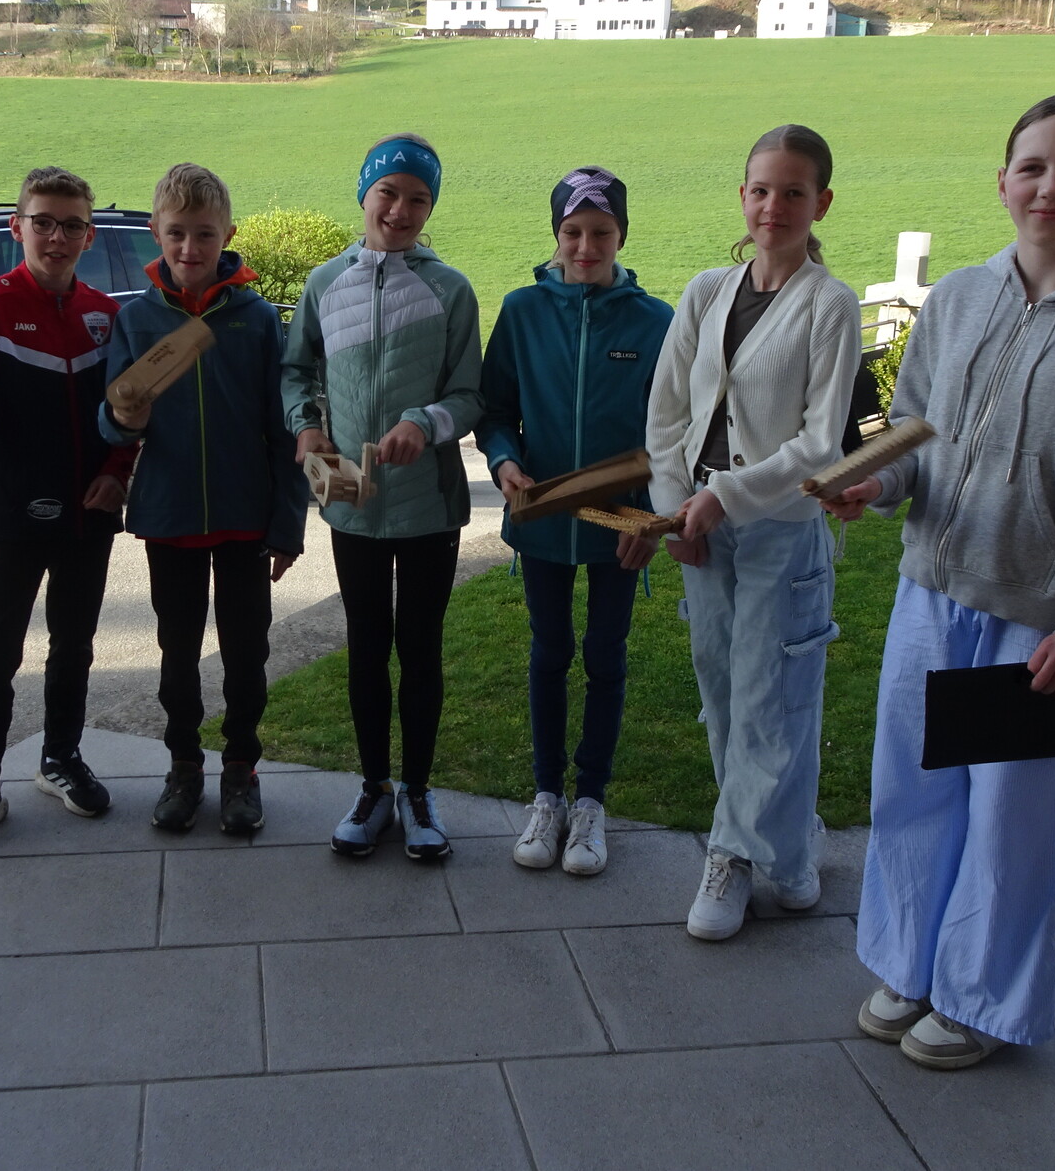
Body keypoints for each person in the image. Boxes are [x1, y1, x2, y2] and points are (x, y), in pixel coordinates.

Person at [827, 91, 1055, 1068]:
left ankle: (979, 996)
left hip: (1040, 623)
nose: (1050, 187)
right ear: (1002, 181)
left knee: (1008, 822)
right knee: (913, 796)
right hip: (930, 596)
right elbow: (915, 437)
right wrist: (874, 484)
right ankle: (909, 963)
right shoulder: (957, 299)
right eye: (1032, 167)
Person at [645, 124, 860, 941]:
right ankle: (792, 851)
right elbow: (668, 413)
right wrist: (676, 510)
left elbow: (821, 443)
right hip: (700, 528)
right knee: (723, 693)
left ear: (821, 203)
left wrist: (726, 498)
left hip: (779, 530)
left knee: (775, 699)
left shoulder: (829, 304)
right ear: (742, 195)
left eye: (793, 192)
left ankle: (731, 855)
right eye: (762, 190)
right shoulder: (706, 292)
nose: (774, 206)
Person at [0, 167, 137, 858]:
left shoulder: (106, 315)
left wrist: (116, 473)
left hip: (89, 513)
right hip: (13, 511)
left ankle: (61, 758)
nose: (56, 237)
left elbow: (130, 409)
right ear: (18, 228)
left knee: (74, 644)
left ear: (89, 236)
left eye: (71, 225)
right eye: (43, 222)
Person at [281, 132, 482, 860]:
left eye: (418, 199)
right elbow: (296, 371)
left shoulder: (451, 289)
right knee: (366, 647)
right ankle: (372, 789)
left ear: (431, 207)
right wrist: (306, 426)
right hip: (352, 505)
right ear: (364, 193)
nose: (400, 210)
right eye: (388, 193)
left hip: (430, 505)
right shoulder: (323, 284)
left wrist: (423, 423)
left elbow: (470, 396)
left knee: (420, 649)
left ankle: (418, 794)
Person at [101, 163, 310, 835]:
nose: (189, 248)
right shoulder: (135, 319)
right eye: (177, 234)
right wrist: (123, 417)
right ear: (156, 233)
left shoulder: (257, 319)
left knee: (247, 653)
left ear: (228, 236)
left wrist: (287, 525)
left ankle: (241, 766)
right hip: (169, 516)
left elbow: (283, 430)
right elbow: (111, 421)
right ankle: (184, 765)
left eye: (204, 234)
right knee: (177, 652)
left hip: (246, 518)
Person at [476, 167, 672, 876]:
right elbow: (496, 410)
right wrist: (505, 462)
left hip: (620, 522)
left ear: (622, 236)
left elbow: (670, 432)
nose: (585, 247)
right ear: (556, 235)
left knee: (606, 655)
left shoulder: (655, 321)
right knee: (550, 650)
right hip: (543, 517)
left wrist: (650, 517)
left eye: (601, 233)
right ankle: (546, 796)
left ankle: (590, 801)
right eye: (572, 232)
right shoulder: (522, 311)